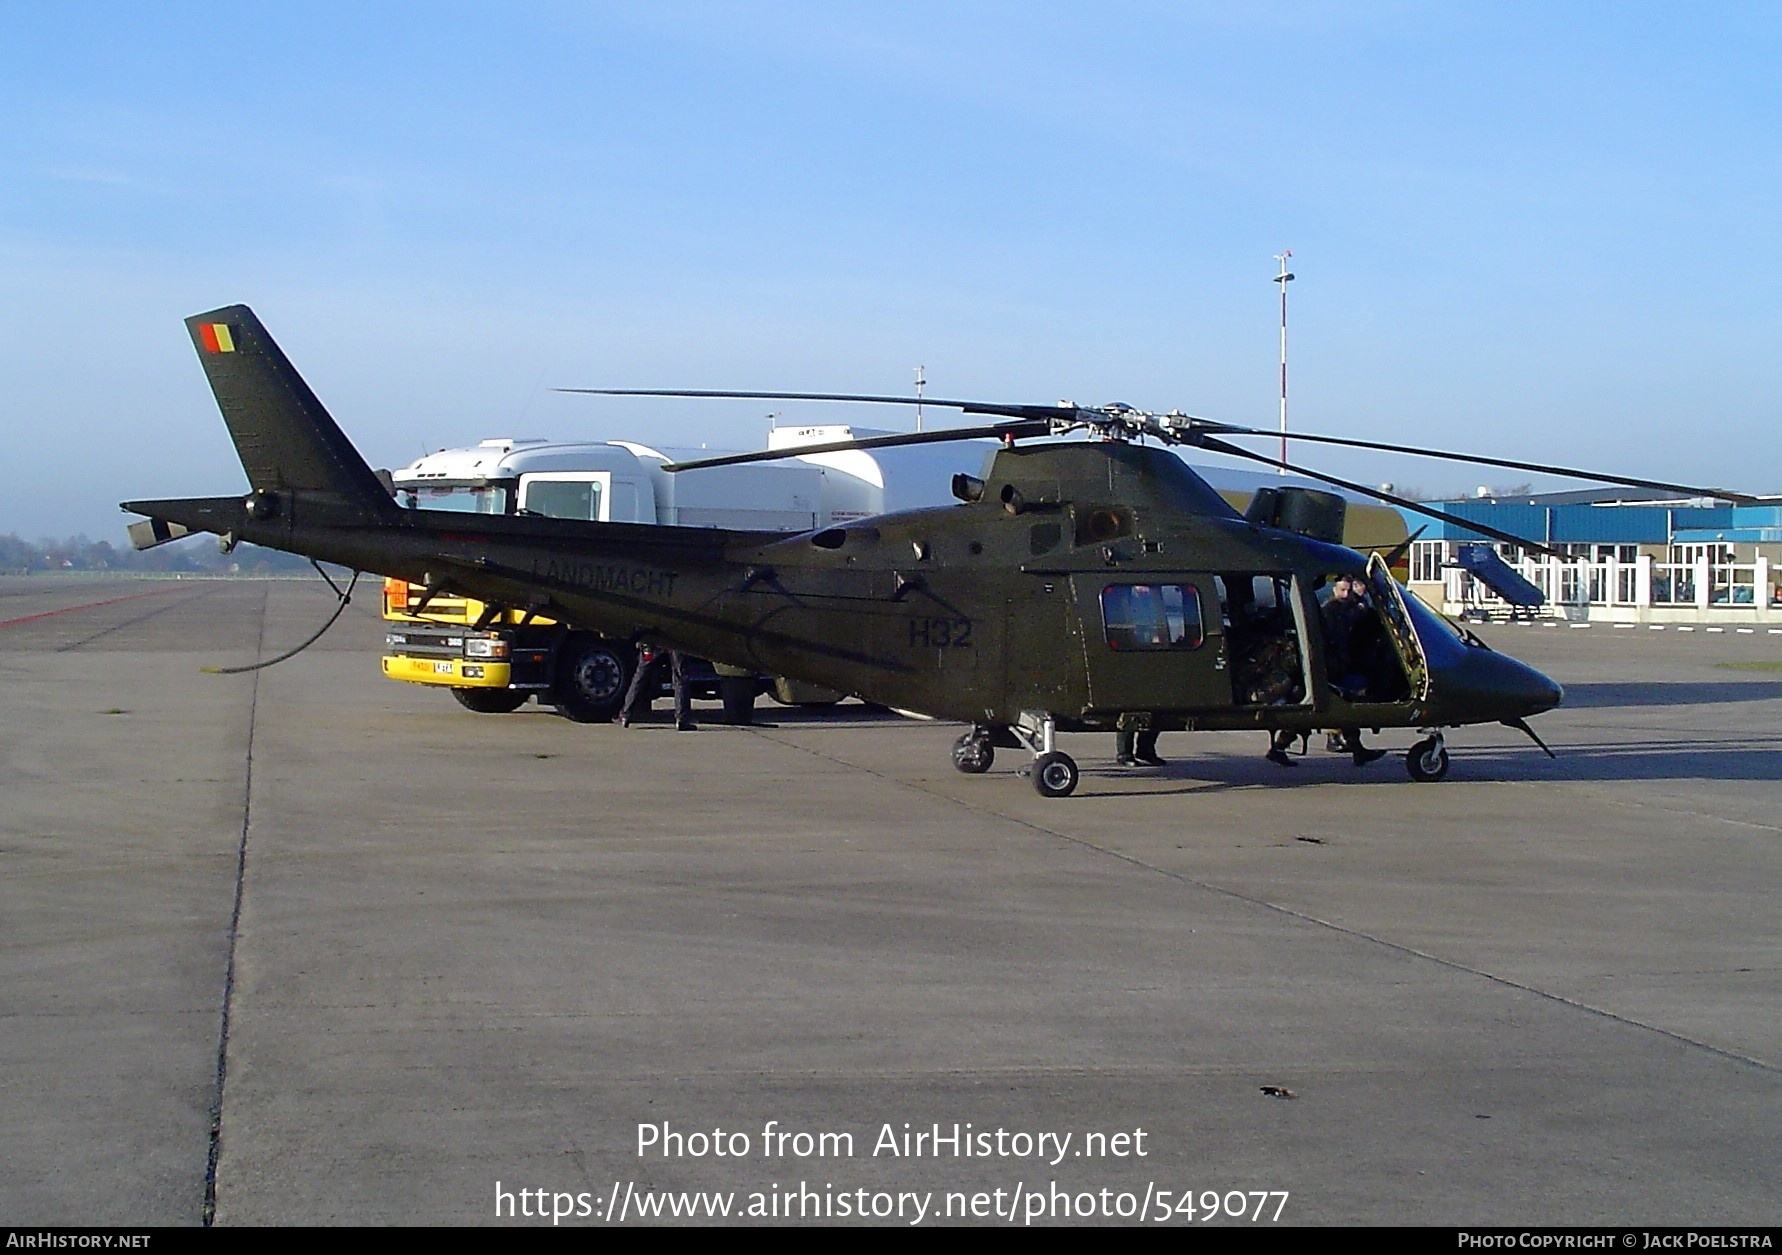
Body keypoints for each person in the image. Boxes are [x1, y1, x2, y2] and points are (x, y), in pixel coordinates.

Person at [1320, 574, 1386, 766]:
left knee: (1343, 708)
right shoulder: (1332, 611)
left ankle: (1357, 750)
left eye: (1349, 590)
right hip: (1332, 668)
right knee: (1344, 705)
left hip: (1339, 665)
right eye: (1342, 590)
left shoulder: (1351, 608)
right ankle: (1354, 749)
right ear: (1334, 590)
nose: (1346, 594)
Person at [618, 642, 695, 731]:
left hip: (654, 641)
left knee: (643, 670)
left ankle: (626, 714)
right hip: (676, 641)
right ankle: (682, 719)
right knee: (680, 675)